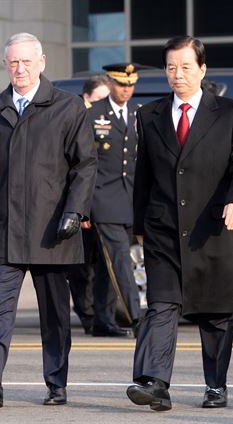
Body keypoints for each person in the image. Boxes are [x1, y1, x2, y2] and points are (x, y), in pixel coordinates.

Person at [0, 32, 97, 408]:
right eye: (13, 63)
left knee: (54, 314)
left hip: (54, 230)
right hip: (4, 229)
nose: (19, 69)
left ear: (42, 62)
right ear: (6, 65)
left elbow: (85, 166)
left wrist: (75, 211)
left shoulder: (68, 107)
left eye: (26, 62)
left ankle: (56, 382)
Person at [127, 35, 233, 411]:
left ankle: (216, 385)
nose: (177, 74)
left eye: (185, 67)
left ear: (202, 69)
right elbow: (144, 174)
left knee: (215, 313)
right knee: (162, 305)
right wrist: (139, 225)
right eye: (170, 67)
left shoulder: (231, 113)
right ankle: (155, 384)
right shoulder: (148, 115)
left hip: (211, 228)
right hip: (163, 227)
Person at [87, 63, 143, 337]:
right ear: (110, 83)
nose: (127, 89)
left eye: (131, 85)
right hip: (103, 200)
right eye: (122, 84)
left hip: (131, 198)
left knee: (105, 262)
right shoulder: (94, 113)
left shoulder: (138, 114)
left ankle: (102, 319)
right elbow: (84, 162)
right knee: (120, 257)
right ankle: (136, 317)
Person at [67, 74, 111, 333]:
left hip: (108, 207)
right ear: (86, 99)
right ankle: (87, 315)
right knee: (81, 268)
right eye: (99, 99)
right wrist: (80, 209)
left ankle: (105, 316)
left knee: (107, 266)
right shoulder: (76, 122)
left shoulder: (113, 123)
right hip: (82, 208)